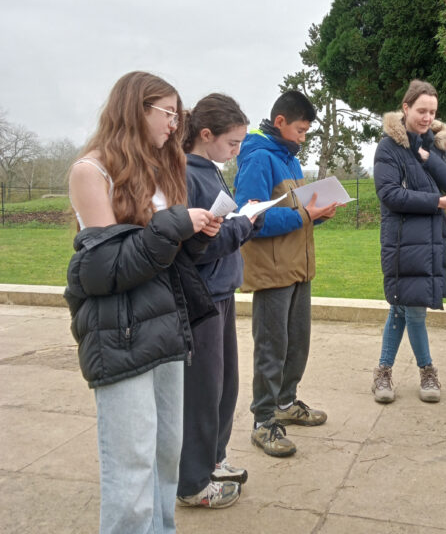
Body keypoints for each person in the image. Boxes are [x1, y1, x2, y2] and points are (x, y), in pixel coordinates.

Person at [65, 71, 221, 534]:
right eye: (168, 113)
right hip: (119, 332)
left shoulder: (161, 168)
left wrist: (196, 235)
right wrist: (173, 225)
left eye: (179, 114)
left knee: (164, 458)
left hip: (166, 325)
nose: (175, 124)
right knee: (131, 468)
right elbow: (101, 270)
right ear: (137, 109)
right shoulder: (90, 171)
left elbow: (161, 254)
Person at [233, 90, 338, 457]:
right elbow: (251, 219)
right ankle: (264, 421)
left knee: (297, 344)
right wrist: (306, 215)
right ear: (280, 122)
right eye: (300, 129)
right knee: (271, 348)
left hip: (298, 268)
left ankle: (285, 403)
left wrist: (317, 215)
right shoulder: (258, 158)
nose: (303, 137)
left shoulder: (291, 161)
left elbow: (298, 216)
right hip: (271, 272)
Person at [177, 94, 262, 508]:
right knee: (203, 392)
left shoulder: (209, 170)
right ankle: (192, 482)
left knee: (225, 386)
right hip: (203, 297)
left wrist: (239, 221)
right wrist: (243, 225)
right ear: (205, 135)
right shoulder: (188, 175)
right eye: (232, 143)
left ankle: (214, 459)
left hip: (222, 292)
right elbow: (198, 246)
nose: (237, 151)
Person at [371, 79, 446, 404]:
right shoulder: (388, 148)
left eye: (433, 112)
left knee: (401, 306)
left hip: (430, 240)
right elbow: (389, 194)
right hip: (401, 240)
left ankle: (383, 373)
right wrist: (437, 202)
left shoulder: (436, 145)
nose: (427, 117)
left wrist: (430, 158)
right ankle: (427, 371)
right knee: (412, 309)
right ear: (406, 108)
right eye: (422, 110)